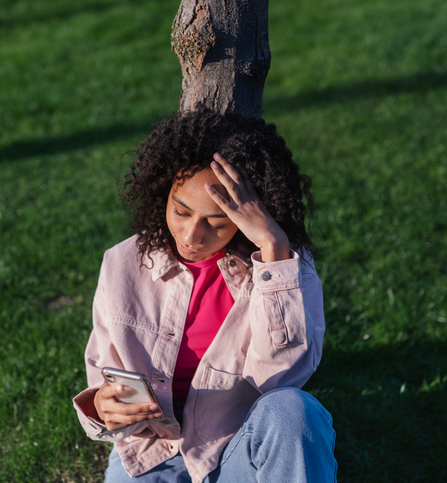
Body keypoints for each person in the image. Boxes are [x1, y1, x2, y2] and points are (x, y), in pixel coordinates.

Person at [73, 109, 337, 482]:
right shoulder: (122, 264)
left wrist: (273, 248)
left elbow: (281, 378)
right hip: (153, 453)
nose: (191, 236)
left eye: (217, 222)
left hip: (235, 446)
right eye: (180, 211)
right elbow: (106, 380)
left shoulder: (284, 267)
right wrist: (103, 406)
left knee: (293, 409)